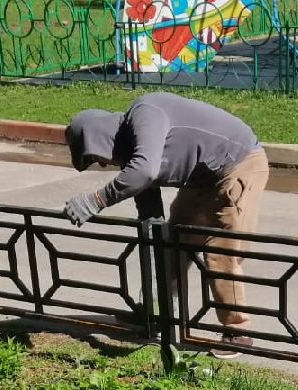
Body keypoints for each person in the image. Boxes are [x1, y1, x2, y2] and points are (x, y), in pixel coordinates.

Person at [61, 93, 269, 358]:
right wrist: (152, 235)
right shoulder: (132, 153)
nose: (102, 163)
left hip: (240, 164)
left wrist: (97, 200)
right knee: (172, 243)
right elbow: (149, 209)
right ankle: (159, 315)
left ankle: (237, 330)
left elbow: (145, 172)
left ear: (101, 136)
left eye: (96, 156)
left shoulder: (145, 111)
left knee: (220, 251)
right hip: (202, 178)